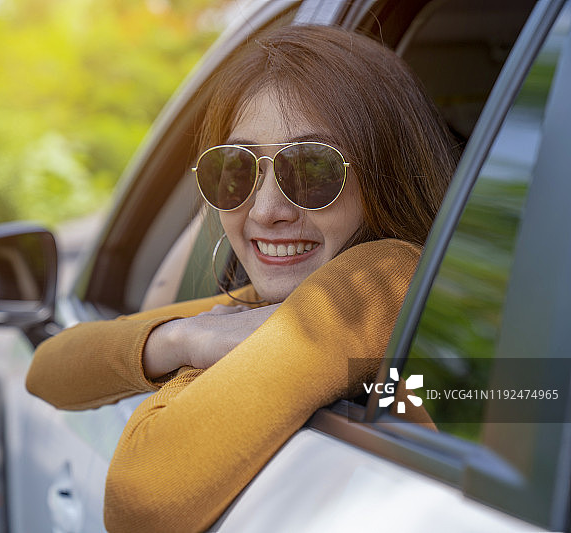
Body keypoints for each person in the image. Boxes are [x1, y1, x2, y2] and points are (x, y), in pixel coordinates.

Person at [26, 24, 457, 533]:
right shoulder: (273, 303)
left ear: (386, 176)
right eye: (236, 167)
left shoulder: (384, 277)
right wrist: (185, 337)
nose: (267, 209)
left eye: (313, 168)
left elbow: (141, 499)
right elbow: (46, 369)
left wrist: (197, 363)